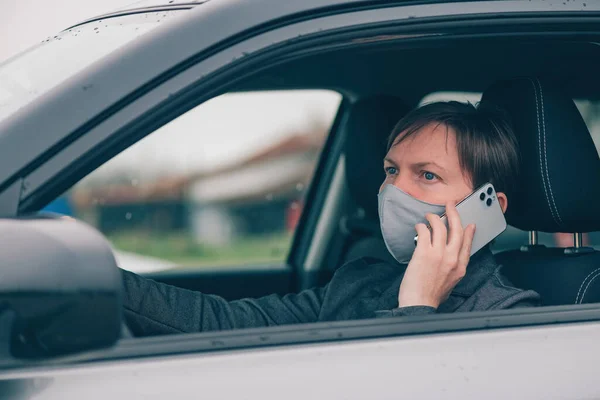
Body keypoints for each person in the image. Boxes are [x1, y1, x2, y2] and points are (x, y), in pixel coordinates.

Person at [122, 101, 540, 336]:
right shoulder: (360, 280)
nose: (395, 190)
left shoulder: (509, 318)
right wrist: (98, 281)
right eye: (391, 170)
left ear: (490, 208)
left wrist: (417, 307)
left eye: (427, 175)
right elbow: (224, 325)